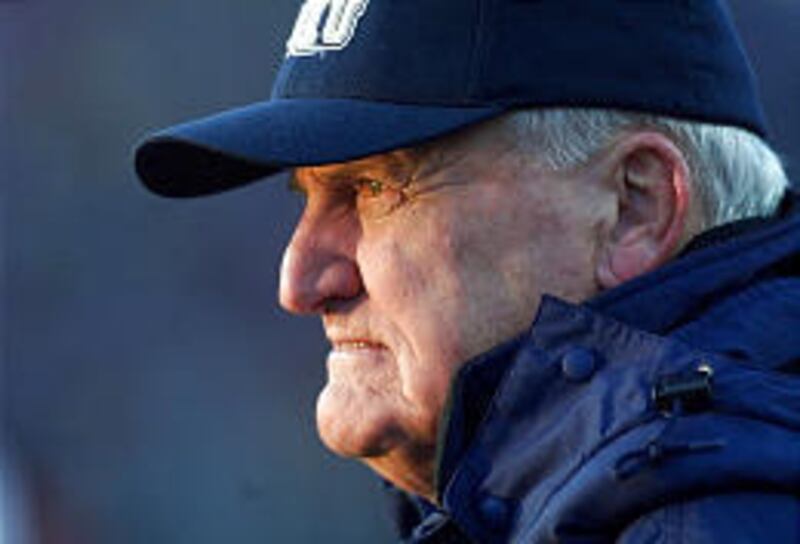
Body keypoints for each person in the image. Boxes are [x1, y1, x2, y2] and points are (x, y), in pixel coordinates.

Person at [134, 0, 800, 541]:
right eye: (306, 197)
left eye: (374, 188)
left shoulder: (711, 520)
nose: (300, 282)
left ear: (634, 207)